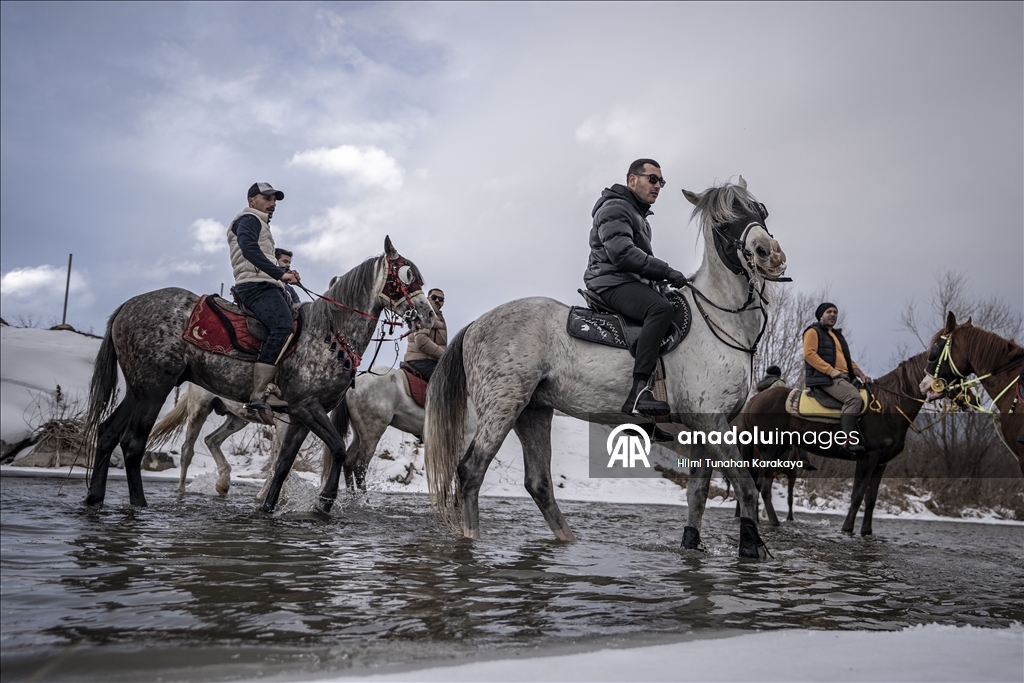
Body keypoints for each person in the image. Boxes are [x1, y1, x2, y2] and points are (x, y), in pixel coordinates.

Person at [584, 159, 688, 416]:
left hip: (624, 280)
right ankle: (639, 392)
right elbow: (622, 254)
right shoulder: (615, 208)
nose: (658, 186)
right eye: (653, 179)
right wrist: (665, 270)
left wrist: (661, 282)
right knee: (660, 309)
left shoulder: (636, 213)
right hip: (610, 281)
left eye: (661, 182)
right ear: (633, 180)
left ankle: (645, 421)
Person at [226, 182, 301, 413]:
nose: (272, 204)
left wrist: (283, 275)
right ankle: (259, 394)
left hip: (264, 284)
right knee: (283, 327)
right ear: (251, 201)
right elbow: (249, 251)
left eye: (274, 200)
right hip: (255, 286)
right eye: (267, 198)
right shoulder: (248, 219)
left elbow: (260, 256)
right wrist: (280, 273)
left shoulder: (259, 224)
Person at [803, 302, 871, 453]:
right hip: (826, 378)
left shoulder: (837, 336)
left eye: (835, 312)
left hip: (844, 377)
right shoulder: (813, 331)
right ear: (821, 315)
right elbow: (809, 354)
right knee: (854, 398)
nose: (833, 314)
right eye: (829, 312)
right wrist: (830, 371)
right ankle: (847, 439)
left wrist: (860, 374)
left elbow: (848, 360)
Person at [403, 288, 447, 381]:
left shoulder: (437, 315)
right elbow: (421, 340)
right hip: (422, 361)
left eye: (441, 299)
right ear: (428, 298)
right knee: (448, 383)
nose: (437, 301)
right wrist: (445, 355)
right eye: (434, 297)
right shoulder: (426, 313)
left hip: (429, 361)